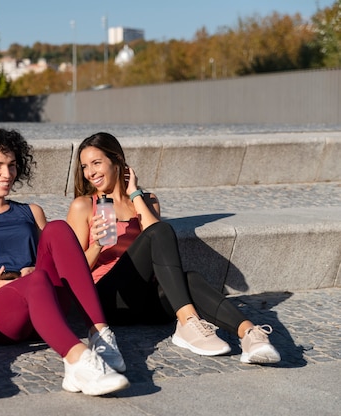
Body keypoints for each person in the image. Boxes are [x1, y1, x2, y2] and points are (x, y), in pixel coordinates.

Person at [0, 128, 130, 396]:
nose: (7, 174)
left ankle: (100, 335)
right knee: (38, 278)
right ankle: (78, 361)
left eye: (12, 166)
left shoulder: (31, 211)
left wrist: (96, 244)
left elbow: (58, 260)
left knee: (58, 230)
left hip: (45, 303)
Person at [66, 132, 281, 365]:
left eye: (96, 163)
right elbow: (71, 273)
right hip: (109, 298)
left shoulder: (147, 200)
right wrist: (97, 245)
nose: (90, 172)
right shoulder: (84, 206)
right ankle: (189, 322)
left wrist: (134, 194)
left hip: (148, 304)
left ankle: (250, 335)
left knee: (191, 278)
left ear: (117, 160)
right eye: (85, 166)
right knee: (161, 231)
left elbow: (158, 238)